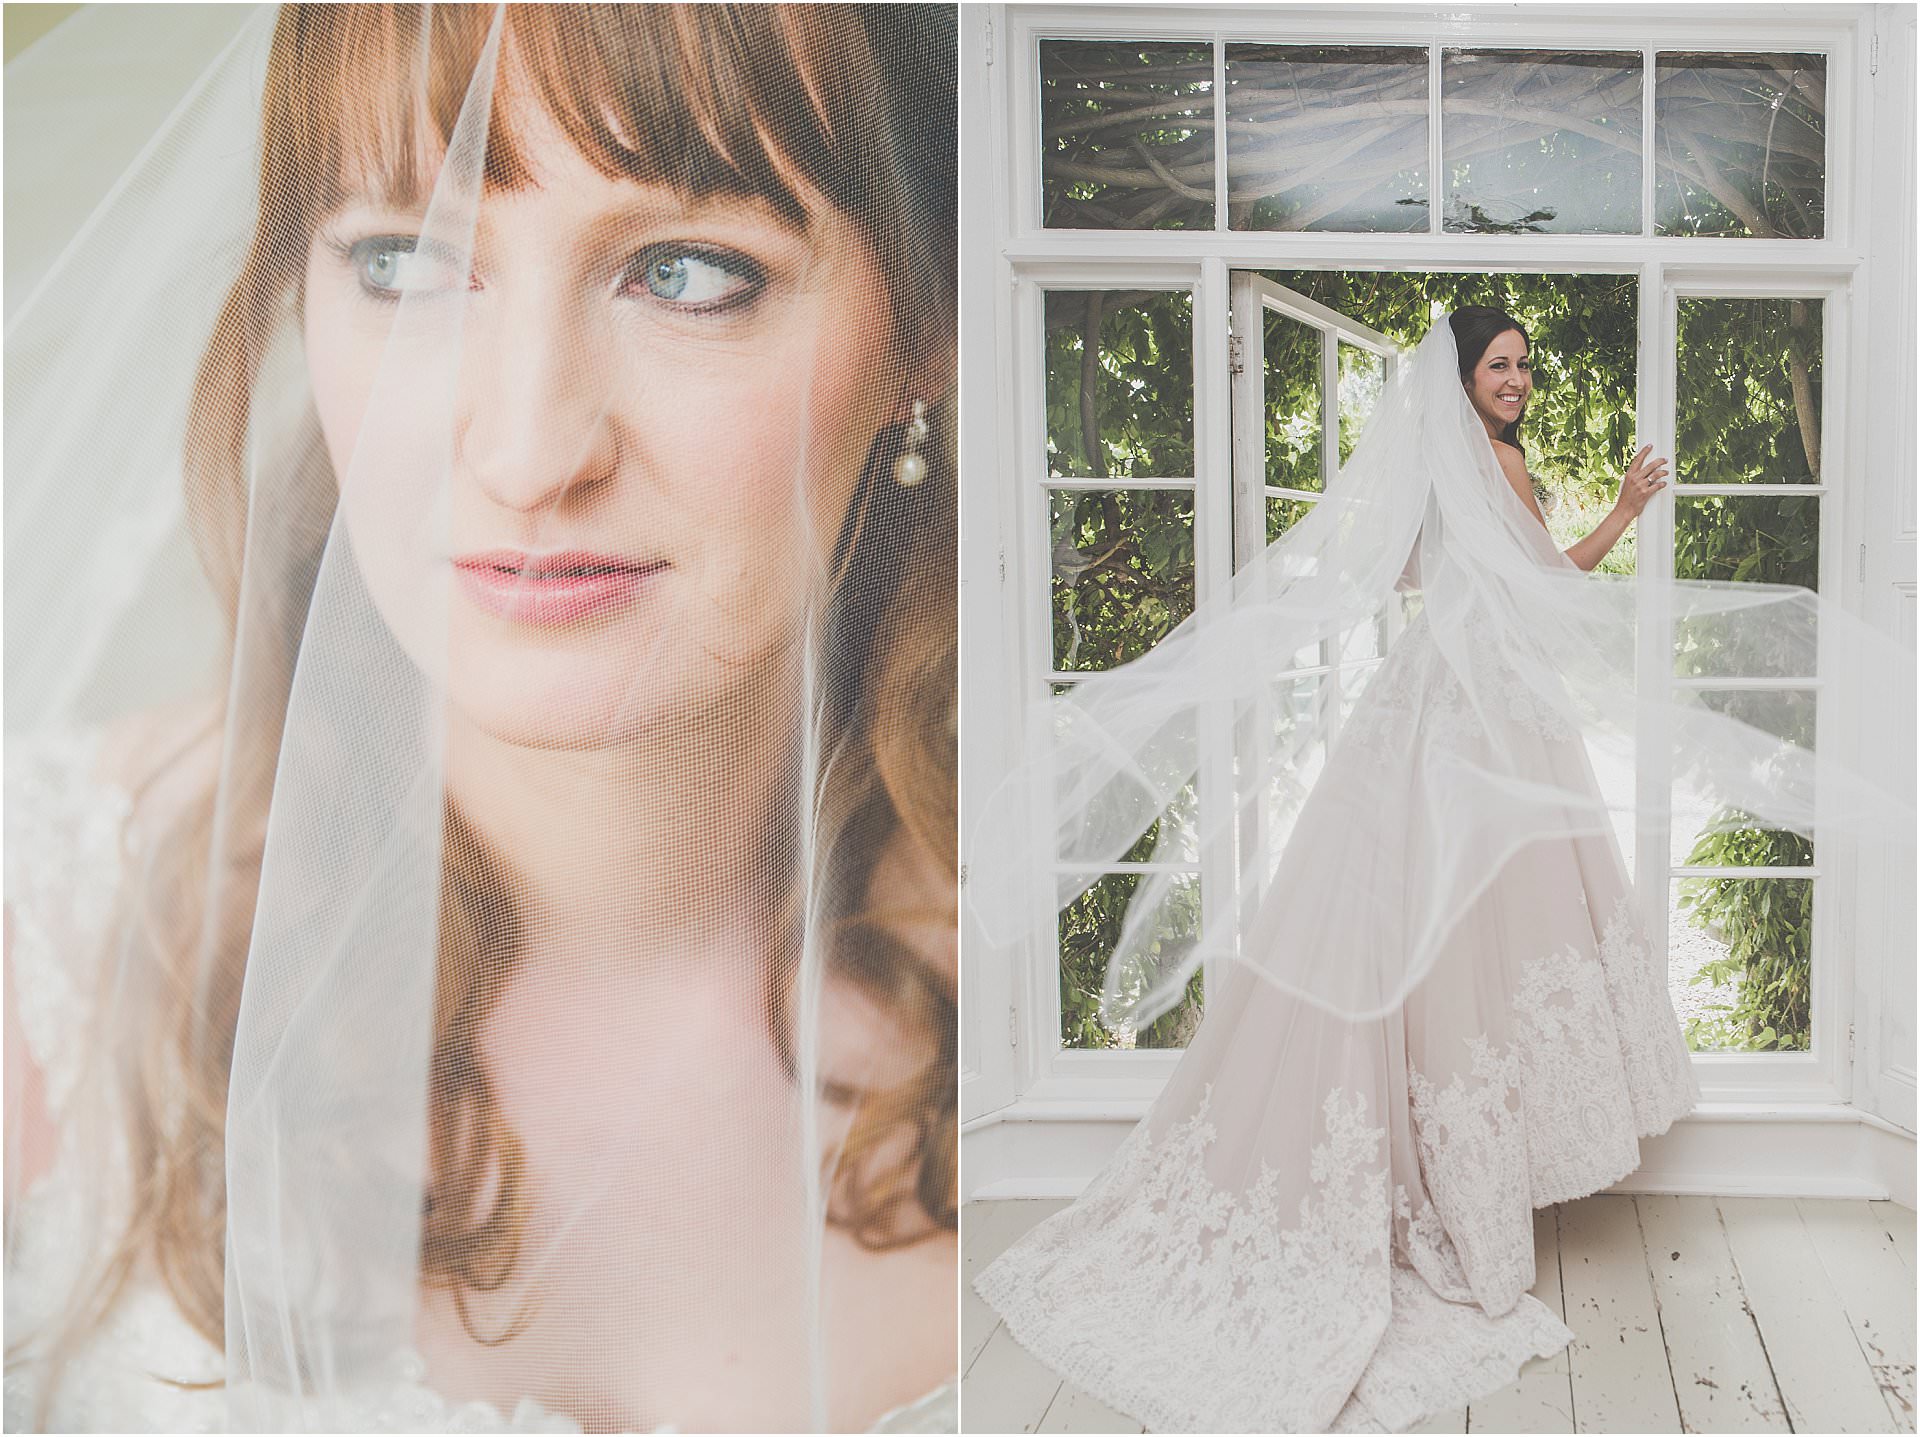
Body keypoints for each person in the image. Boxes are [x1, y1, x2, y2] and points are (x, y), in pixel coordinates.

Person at [4, 5, 956, 1432]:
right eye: (407, 262)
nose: (525, 451)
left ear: (923, 336)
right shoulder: (42, 941)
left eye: (688, 273)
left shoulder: (1113, 1000)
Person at [969, 305, 1907, 1432]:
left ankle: (1459, 1185)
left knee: (1441, 940)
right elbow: (1537, 593)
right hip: (1477, 721)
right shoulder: (1485, 466)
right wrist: (1613, 517)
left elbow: (1466, 580)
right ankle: (1467, 1203)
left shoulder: (1467, 468)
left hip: (1450, 705)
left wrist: (1600, 517)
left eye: (1521, 364)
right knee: (1466, 942)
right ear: (1461, 380)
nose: (1515, 379)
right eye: (1496, 365)